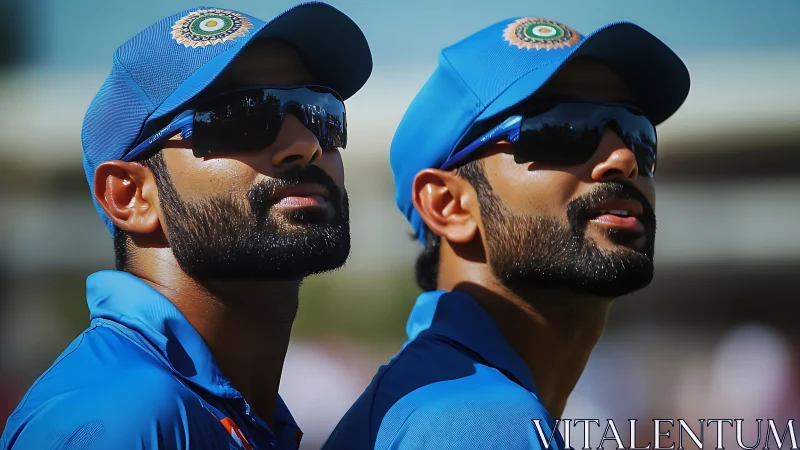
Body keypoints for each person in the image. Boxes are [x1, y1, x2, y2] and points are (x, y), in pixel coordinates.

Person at [0, 3, 371, 449]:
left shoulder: (224, 410)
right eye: (243, 116)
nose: (306, 144)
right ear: (130, 196)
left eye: (319, 112)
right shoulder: (118, 422)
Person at [324, 16, 689, 450]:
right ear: (449, 205)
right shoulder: (475, 421)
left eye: (637, 134)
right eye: (563, 128)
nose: (623, 158)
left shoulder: (453, 403)